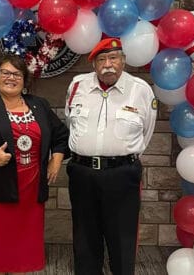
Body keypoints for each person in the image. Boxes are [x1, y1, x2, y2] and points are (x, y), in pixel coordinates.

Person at [0, 55, 69, 275]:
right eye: (5, 73)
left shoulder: (39, 105)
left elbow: (61, 135)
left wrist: (56, 161)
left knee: (22, 257)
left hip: (30, 196)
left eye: (17, 74)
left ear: (24, 80)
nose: (11, 78)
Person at [64, 38, 158, 275]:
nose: (108, 64)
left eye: (113, 58)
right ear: (94, 64)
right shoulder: (77, 86)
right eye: (102, 59)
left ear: (123, 61)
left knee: (122, 238)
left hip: (121, 174)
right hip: (82, 172)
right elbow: (70, 121)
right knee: (84, 237)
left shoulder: (141, 90)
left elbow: (146, 133)